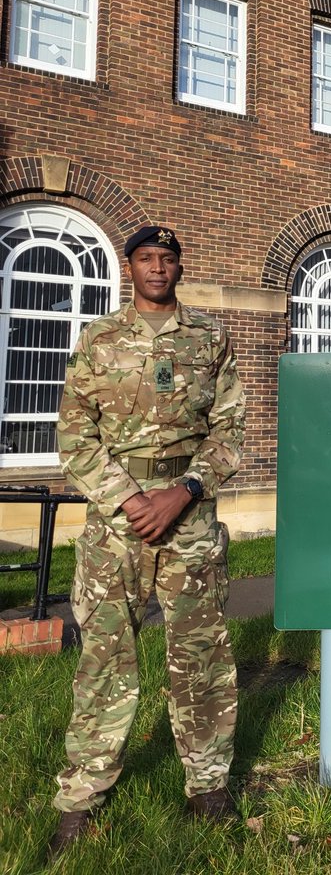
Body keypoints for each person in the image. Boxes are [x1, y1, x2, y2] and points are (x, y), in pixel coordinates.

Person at [49, 225, 246, 856]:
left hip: (187, 515)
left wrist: (183, 491)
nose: (157, 268)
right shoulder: (98, 339)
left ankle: (209, 786)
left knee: (202, 654)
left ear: (180, 268)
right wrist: (130, 500)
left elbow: (231, 429)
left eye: (167, 259)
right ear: (129, 267)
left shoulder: (210, 337)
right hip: (116, 523)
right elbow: (76, 436)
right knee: (106, 658)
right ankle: (82, 797)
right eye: (145, 259)